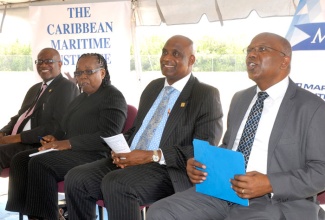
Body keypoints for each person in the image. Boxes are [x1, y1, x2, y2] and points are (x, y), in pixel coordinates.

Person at [146, 32, 325, 220]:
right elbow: (229, 147)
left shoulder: (311, 107)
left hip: (274, 201)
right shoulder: (240, 98)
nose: (251, 55)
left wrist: (270, 183)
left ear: (284, 61)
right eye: (249, 50)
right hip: (224, 189)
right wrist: (203, 164)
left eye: (262, 49)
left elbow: (321, 170)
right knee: (161, 212)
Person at [64, 35, 223, 220]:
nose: (166, 58)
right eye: (164, 52)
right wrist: (119, 148)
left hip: (167, 169)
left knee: (117, 183)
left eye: (176, 54)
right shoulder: (153, 87)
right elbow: (139, 129)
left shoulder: (205, 95)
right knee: (76, 178)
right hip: (131, 158)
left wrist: (153, 155)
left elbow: (204, 149)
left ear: (192, 60)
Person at [5, 53, 128, 220]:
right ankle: (31, 214)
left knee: (41, 163)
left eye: (89, 72)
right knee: (20, 160)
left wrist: (67, 143)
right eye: (78, 73)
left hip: (96, 154)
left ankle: (48, 216)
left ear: (103, 73)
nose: (82, 77)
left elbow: (108, 136)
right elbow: (63, 127)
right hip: (73, 151)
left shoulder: (113, 96)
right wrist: (54, 138)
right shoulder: (81, 98)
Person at [0, 48, 79, 174]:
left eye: (48, 61)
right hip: (14, 141)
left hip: (36, 144)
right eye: (40, 61)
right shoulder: (34, 88)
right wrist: (3, 132)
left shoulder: (67, 87)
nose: (43, 65)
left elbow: (57, 126)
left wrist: (17, 138)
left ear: (59, 64)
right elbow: (20, 117)